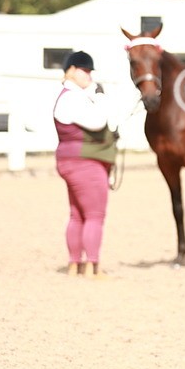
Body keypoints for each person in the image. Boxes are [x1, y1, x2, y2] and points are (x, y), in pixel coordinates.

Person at [54, 51, 116, 278]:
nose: (88, 74)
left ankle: (74, 264)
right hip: (85, 163)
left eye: (90, 71)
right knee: (94, 215)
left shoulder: (69, 96)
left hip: (70, 161)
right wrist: (100, 96)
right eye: (84, 70)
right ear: (70, 70)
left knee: (77, 215)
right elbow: (97, 121)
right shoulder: (73, 97)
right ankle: (92, 265)